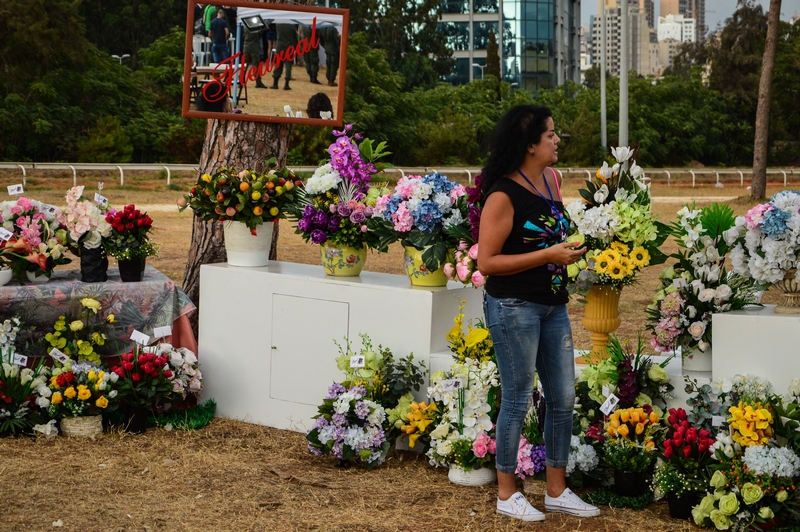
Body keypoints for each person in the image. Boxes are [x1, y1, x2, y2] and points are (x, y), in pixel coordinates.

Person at [477, 105, 599, 522]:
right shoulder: (502, 195)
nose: (557, 139)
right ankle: (507, 492)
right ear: (530, 144)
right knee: (516, 400)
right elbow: (486, 263)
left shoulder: (552, 179)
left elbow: (551, 231)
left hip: (552, 306)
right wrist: (547, 254)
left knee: (563, 396)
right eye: (550, 134)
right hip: (513, 307)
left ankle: (556, 489)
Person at [271, 23, 298, 90]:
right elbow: (295, 36)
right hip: (289, 47)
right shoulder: (292, 25)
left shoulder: (278, 24)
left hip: (280, 46)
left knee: (278, 65)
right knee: (288, 65)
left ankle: (275, 83)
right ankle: (286, 84)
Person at [243, 23, 266, 88]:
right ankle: (258, 82)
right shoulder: (256, 28)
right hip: (254, 47)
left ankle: (241, 80)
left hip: (246, 46)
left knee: (244, 65)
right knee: (256, 65)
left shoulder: (245, 26)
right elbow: (259, 36)